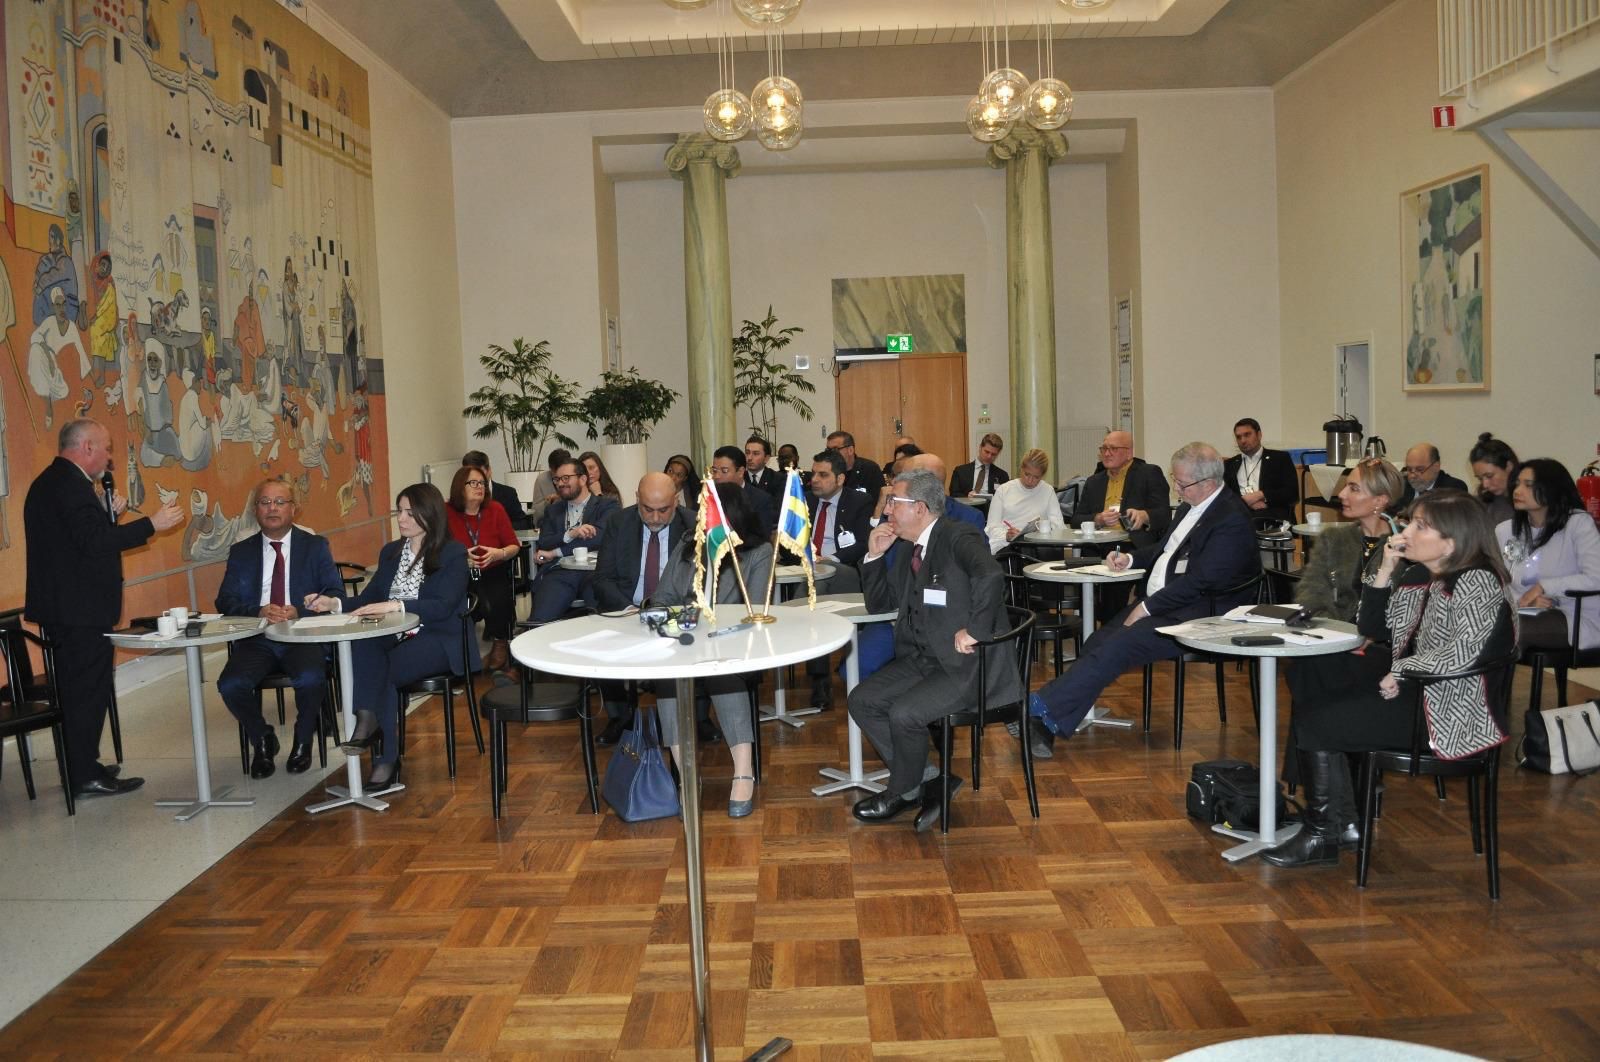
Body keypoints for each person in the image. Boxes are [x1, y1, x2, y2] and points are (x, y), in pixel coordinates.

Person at [1262, 490, 1516, 868]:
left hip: (1449, 710)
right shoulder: (1421, 573)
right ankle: (1344, 823)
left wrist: (1401, 669)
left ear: (1452, 542)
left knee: (1317, 717)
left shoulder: (1477, 580)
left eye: (1420, 526)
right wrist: (1384, 570)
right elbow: (1374, 627)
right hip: (1418, 687)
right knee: (1312, 669)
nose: (1405, 532)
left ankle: (1324, 832)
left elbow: (1463, 653)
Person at [1029, 443, 1260, 757]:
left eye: (1182, 484)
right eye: (1175, 480)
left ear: (1207, 483)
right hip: (1169, 603)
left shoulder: (1230, 519)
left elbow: (1201, 581)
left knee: (1117, 647)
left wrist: (1147, 607)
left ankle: (1039, 710)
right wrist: (1130, 559)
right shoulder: (1191, 506)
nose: (1176, 489)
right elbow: (1164, 550)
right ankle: (1049, 721)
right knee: (1098, 641)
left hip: (1203, 613)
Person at [848, 470, 1017, 832]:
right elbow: (881, 606)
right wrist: (874, 556)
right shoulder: (907, 548)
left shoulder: (958, 535)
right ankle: (925, 780)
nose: (887, 510)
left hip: (967, 664)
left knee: (904, 714)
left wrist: (975, 630)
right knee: (862, 700)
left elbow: (990, 575)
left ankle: (901, 791)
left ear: (920, 508)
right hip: (923, 658)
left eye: (894, 502)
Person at [24, 418, 183, 797]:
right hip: (79, 611)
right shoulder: (70, 486)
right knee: (86, 693)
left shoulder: (54, 482)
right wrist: (152, 524)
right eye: (107, 448)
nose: (110, 457)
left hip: (68, 608)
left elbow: (76, 541)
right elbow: (93, 544)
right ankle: (84, 776)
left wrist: (106, 514)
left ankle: (82, 765)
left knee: (81, 691)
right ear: (87, 447)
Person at [303, 483, 475, 791]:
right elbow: (369, 599)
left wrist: (397, 605)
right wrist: (334, 604)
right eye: (399, 511)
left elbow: (442, 606)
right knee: (362, 640)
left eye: (410, 512)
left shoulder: (452, 552)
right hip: (394, 634)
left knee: (384, 670)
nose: (402, 519)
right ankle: (368, 721)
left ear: (430, 513)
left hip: (437, 637)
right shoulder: (391, 552)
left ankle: (383, 751)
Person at [1281, 457, 1405, 840]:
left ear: (1381, 500)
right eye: (1345, 486)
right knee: (1307, 672)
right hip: (1338, 643)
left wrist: (1365, 635)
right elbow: (1311, 593)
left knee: (1309, 680)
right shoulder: (1334, 539)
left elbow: (1406, 611)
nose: (1341, 495)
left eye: (1353, 488)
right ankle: (1342, 814)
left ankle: (1330, 814)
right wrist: (1338, 631)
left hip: (1387, 654)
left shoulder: (1405, 544)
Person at [649, 482, 772, 817]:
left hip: (732, 644)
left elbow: (754, 610)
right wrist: (664, 617)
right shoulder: (688, 543)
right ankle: (687, 776)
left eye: (708, 509)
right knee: (668, 681)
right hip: (684, 641)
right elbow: (663, 597)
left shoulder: (758, 552)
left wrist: (708, 623)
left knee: (724, 676)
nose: (701, 516)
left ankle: (743, 772)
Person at [215, 478, 341, 778]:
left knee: (311, 678)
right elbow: (225, 601)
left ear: (294, 509)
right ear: (255, 510)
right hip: (258, 636)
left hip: (302, 634)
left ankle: (303, 739)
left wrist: (300, 608)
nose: (272, 508)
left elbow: (335, 592)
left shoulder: (314, 546)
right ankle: (262, 738)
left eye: (280, 502)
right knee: (230, 684)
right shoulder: (242, 551)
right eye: (265, 502)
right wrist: (258, 611)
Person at [592, 472, 694, 745]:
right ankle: (619, 717)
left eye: (664, 510)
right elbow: (602, 579)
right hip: (627, 608)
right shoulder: (619, 522)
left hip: (674, 612)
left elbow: (701, 583)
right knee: (605, 641)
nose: (656, 517)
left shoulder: (694, 524)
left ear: (676, 501)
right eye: (648, 509)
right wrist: (628, 609)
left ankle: (696, 718)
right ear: (637, 499)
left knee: (697, 640)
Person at [1496, 459, 1600, 655]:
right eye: (1517, 484)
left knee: (1509, 631)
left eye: (1528, 485)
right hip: (1524, 612)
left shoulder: (1578, 523)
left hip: (1575, 617)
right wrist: (1523, 601)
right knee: (1491, 626)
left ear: (1551, 489)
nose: (1517, 491)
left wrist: (1544, 587)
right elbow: (1501, 583)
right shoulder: (1505, 530)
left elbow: (1596, 578)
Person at [801, 449, 875, 707]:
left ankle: (821, 677)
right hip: (809, 569)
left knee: (814, 591)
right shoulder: (804, 501)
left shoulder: (859, 501)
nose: (815, 480)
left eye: (823, 475)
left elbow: (863, 543)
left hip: (846, 568)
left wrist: (830, 559)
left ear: (840, 479)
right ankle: (820, 677)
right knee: (815, 585)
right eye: (813, 474)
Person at [445, 465, 520, 672]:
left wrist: (499, 554)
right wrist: (460, 558)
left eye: (482, 483)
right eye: (473, 483)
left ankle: (500, 642)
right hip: (459, 572)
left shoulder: (495, 509)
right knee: (461, 599)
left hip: (492, 568)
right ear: (460, 487)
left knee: (496, 594)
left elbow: (514, 546)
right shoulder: (446, 512)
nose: (480, 487)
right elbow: (437, 548)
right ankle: (462, 651)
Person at [529, 458, 618, 621]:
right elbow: (544, 542)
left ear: (583, 479)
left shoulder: (607, 506)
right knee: (540, 619)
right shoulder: (553, 510)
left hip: (595, 571)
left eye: (566, 478)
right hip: (560, 571)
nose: (560, 484)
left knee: (603, 618)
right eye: (557, 479)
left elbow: (598, 539)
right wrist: (570, 534)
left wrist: (555, 552)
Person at [1072, 430, 1172, 549]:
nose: (1107, 454)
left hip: (1132, 545)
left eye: (1113, 448)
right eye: (1104, 449)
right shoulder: (1093, 481)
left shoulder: (1148, 474)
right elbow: (1076, 520)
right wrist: (1098, 519)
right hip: (1099, 545)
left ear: (1129, 453)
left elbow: (1164, 514)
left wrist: (1144, 516)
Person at [984, 448, 1064, 554]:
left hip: (1037, 545)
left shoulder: (1048, 491)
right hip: (1008, 545)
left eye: (1036, 477)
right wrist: (1006, 535)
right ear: (1021, 469)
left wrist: (1041, 529)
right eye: (1027, 474)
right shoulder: (1004, 490)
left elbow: (1059, 526)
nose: (1030, 480)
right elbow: (991, 527)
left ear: (1042, 476)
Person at [1222, 418, 1299, 525]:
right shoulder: (1229, 464)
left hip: (1272, 514)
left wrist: (1261, 495)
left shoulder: (1280, 458)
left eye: (1247, 435)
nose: (1243, 440)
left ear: (1259, 435)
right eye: (1238, 437)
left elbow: (1292, 494)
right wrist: (1246, 503)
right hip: (1240, 515)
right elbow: (1224, 496)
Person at [709, 444, 778, 528]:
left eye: (724, 471)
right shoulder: (707, 496)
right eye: (714, 471)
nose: (716, 476)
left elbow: (762, 534)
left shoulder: (761, 500)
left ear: (740, 472)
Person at [463, 449, 531, 531]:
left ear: (489, 471)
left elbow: (522, 524)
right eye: (471, 475)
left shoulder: (508, 493)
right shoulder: (461, 495)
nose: (476, 478)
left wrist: (498, 529)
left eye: (480, 473)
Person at [1469, 432, 1519, 526]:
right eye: (1480, 479)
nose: (1485, 485)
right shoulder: (1480, 504)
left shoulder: (1531, 502)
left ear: (1509, 466)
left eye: (1489, 476)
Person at [1399, 442, 1469, 509]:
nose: (1412, 476)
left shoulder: (1453, 489)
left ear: (1436, 466)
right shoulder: (1402, 486)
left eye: (1419, 469)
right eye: (1409, 469)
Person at [826, 430, 885, 499]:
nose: (831, 454)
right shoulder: (827, 471)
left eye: (835, 449)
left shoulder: (870, 469)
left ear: (850, 450)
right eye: (828, 450)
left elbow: (879, 499)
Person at [949, 433, 1009, 498]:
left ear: (998, 454)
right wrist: (967, 497)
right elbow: (953, 494)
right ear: (980, 447)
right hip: (967, 503)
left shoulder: (1002, 475)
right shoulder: (960, 471)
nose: (989, 456)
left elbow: (1005, 498)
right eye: (987, 452)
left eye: (993, 454)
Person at [526, 447, 572, 526]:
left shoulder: (575, 477)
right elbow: (536, 515)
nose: (560, 482)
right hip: (550, 522)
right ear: (551, 468)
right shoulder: (542, 480)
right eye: (556, 477)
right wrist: (548, 502)